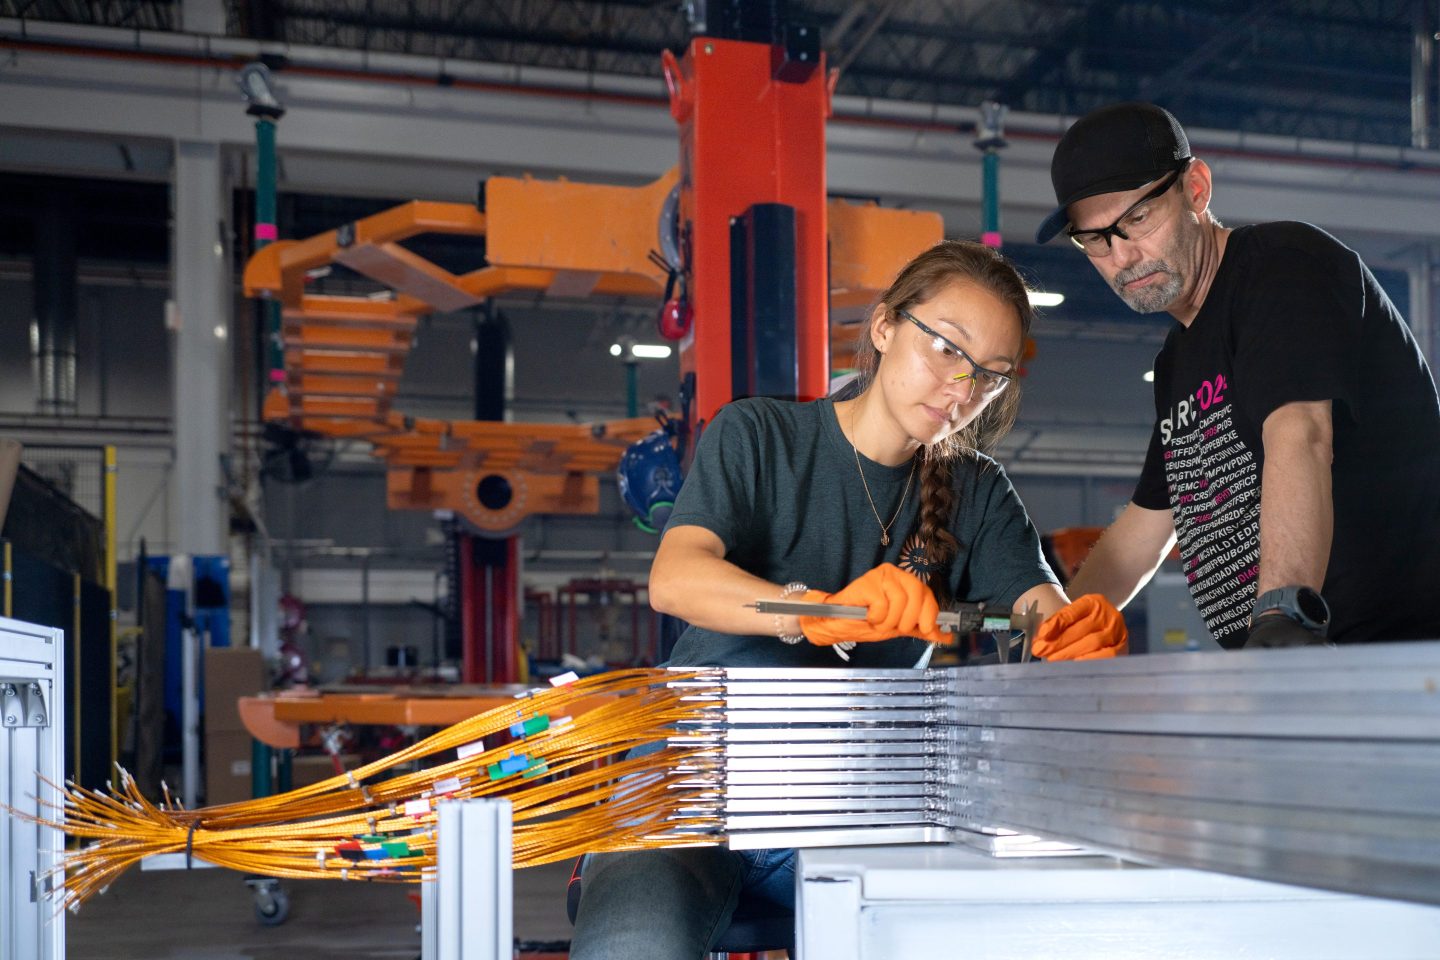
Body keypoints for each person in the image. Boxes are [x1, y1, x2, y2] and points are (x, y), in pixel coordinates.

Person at [568, 239, 1128, 960]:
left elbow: (1036, 608)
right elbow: (676, 578)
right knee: (632, 943)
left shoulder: (978, 491)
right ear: (886, 326)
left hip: (848, 796)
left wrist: (1070, 631)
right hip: (693, 775)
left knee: (925, 938)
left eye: (988, 377)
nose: (962, 391)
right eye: (947, 351)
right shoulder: (760, 435)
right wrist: (820, 609)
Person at [1036, 101, 1440, 649]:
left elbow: (1301, 435)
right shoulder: (1178, 359)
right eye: (1095, 239)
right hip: (1295, 665)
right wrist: (1059, 629)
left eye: (1136, 219)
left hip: (1387, 653)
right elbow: (1141, 533)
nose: (1122, 255)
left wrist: (1282, 617)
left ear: (1196, 189)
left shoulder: (1284, 267)